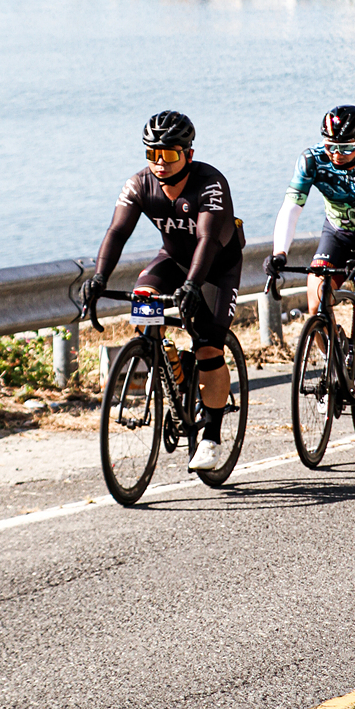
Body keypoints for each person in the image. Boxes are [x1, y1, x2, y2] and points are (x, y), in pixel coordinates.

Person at [82, 111, 244, 471]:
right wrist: (98, 278)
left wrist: (192, 286)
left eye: (168, 154)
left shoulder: (210, 183)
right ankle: (171, 363)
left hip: (216, 266)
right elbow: (116, 233)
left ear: (188, 154)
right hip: (173, 259)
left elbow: (207, 239)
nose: (159, 163)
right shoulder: (139, 184)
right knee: (143, 306)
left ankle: (211, 437)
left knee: (208, 347)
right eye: (152, 154)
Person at [264, 105, 355, 395]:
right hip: (337, 233)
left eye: (346, 148)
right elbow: (291, 208)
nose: (337, 154)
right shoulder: (311, 160)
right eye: (330, 147)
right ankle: (335, 362)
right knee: (316, 301)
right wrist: (280, 252)